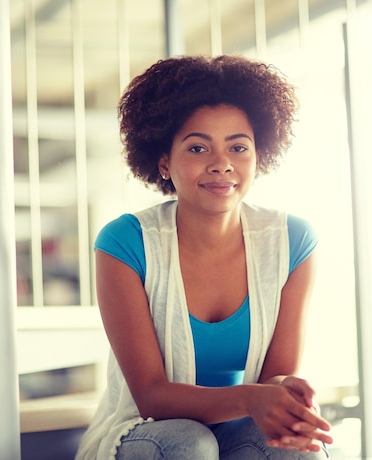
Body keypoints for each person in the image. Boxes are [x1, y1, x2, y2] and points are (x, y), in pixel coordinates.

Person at [75, 55, 332, 460]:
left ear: (257, 156)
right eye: (198, 147)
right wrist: (251, 399)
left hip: (239, 436)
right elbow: (151, 397)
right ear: (164, 161)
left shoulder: (292, 241)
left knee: (295, 452)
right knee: (190, 445)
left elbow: (274, 375)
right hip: (151, 436)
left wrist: (288, 395)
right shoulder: (125, 242)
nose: (221, 164)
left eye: (238, 147)